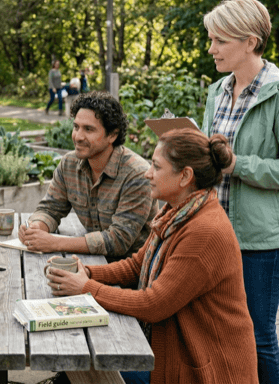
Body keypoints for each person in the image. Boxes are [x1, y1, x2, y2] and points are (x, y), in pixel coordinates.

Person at [47, 128, 258, 384]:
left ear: (185, 176)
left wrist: (86, 288)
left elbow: (153, 305)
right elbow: (137, 265)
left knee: (83, 369)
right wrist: (88, 271)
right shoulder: (177, 212)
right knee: (77, 368)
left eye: (156, 167)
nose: (147, 173)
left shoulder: (204, 231)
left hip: (202, 367)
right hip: (172, 347)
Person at [201, 0, 279, 383]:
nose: (211, 48)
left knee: (257, 334)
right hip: (217, 231)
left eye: (220, 40)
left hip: (263, 240)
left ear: (250, 42)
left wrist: (238, 164)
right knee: (222, 330)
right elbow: (213, 159)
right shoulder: (217, 91)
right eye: (211, 39)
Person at [20, 91, 157, 260]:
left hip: (130, 274)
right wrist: (36, 228)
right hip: (89, 260)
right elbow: (50, 208)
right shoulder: (68, 164)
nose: (78, 136)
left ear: (112, 135)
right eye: (76, 127)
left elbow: (118, 240)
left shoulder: (136, 174)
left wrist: (54, 242)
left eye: (88, 129)